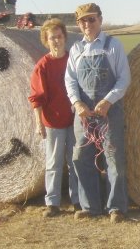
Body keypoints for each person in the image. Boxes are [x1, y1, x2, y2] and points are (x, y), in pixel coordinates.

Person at [65, 3, 131, 223]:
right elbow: (70, 81)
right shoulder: (76, 50)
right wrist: (77, 103)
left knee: (114, 158)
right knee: (81, 158)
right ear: (79, 24)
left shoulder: (114, 46)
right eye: (83, 21)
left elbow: (124, 79)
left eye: (92, 19)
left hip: (108, 111)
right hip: (83, 113)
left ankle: (116, 208)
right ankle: (90, 207)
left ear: (100, 20)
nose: (88, 24)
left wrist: (108, 101)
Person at [28, 18, 80, 218]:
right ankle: (53, 203)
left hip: (75, 120)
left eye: (59, 36)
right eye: (52, 38)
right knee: (54, 164)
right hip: (53, 122)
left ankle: (77, 200)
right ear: (46, 41)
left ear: (65, 37)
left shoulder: (73, 60)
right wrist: (38, 122)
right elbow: (36, 97)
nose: (56, 41)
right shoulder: (43, 65)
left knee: (75, 162)